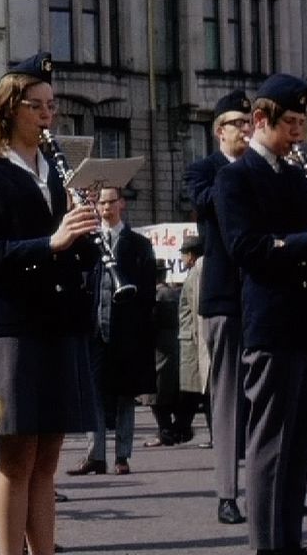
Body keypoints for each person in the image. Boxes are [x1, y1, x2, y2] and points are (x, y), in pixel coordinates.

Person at [0, 52, 100, 555]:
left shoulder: (60, 170)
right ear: (9, 107)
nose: (48, 115)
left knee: (46, 462)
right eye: (37, 105)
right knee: (14, 459)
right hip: (13, 327)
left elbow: (75, 252)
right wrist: (52, 242)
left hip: (60, 322)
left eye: (51, 105)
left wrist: (86, 230)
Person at [214, 73, 307, 555]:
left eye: (302, 122)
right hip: (270, 323)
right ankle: (267, 545)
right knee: (270, 445)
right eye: (289, 123)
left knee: (299, 447)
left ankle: (290, 542)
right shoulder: (235, 176)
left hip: (304, 324)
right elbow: (246, 248)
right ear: (261, 119)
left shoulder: (296, 175)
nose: (297, 133)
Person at [184, 89, 253, 525]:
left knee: (272, 396)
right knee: (227, 396)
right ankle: (227, 492)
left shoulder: (265, 168)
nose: (245, 131)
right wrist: (247, 171)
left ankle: (272, 482)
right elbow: (207, 203)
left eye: (249, 124)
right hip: (225, 295)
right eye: (237, 124)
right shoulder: (204, 171)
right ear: (219, 131)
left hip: (266, 294)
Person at [67, 187, 156, 477]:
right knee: (94, 393)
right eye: (100, 202)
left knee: (124, 395)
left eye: (110, 202)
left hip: (126, 330)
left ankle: (122, 455)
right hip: (95, 329)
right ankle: (96, 455)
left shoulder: (138, 244)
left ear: (122, 204)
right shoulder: (90, 242)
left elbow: (148, 292)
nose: (105, 207)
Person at [176, 235, 212, 448]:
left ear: (190, 255)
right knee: (198, 391)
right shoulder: (194, 272)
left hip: (195, 341)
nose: (181, 258)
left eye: (183, 253)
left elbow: (198, 309)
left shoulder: (197, 272)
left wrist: (202, 343)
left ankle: (213, 434)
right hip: (191, 341)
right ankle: (182, 428)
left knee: (205, 391)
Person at [141, 259, 182, 447]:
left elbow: (152, 322)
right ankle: (169, 429)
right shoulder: (172, 292)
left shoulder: (159, 295)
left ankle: (165, 431)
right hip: (172, 345)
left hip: (160, 347)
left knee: (157, 393)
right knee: (165, 391)